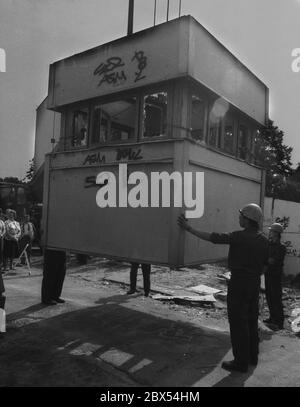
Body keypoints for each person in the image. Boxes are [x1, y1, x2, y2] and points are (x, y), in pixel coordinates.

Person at [178, 203, 269, 373]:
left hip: (239, 284)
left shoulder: (238, 236)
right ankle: (252, 357)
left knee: (237, 323)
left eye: (241, 216)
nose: (239, 218)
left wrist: (188, 228)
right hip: (254, 283)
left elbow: (212, 237)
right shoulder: (264, 240)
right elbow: (265, 267)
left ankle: (240, 362)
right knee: (250, 320)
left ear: (248, 220)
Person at [264, 223, 286, 330]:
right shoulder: (269, 244)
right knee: (269, 297)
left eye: (271, 231)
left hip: (275, 276)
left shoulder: (281, 247)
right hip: (268, 274)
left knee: (276, 298)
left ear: (276, 233)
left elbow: (273, 260)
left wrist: (263, 261)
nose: (270, 232)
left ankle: (279, 321)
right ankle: (272, 318)